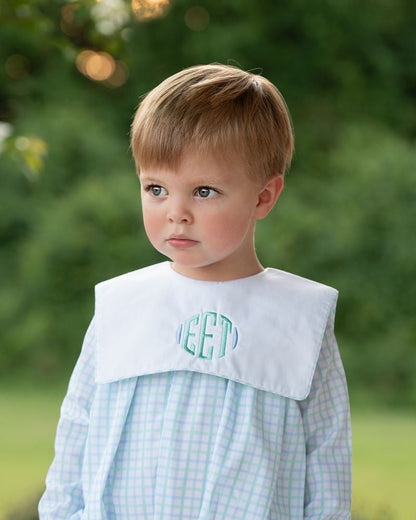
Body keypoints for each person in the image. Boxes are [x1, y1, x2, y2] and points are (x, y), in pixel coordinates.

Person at [39, 64, 352, 519]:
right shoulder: (123, 308)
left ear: (264, 196)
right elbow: (77, 430)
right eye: (156, 188)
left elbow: (326, 458)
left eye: (204, 191)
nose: (176, 212)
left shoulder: (298, 319)